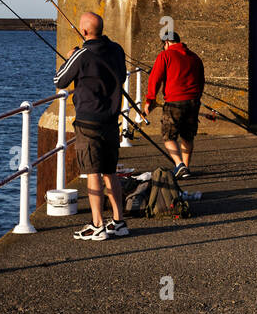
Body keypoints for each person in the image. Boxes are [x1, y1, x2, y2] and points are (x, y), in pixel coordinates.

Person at [54, 12, 130, 240]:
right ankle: (118, 222)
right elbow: (122, 76)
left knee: (93, 172)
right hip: (110, 119)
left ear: (84, 32)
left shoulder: (82, 54)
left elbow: (59, 81)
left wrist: (70, 58)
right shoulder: (116, 50)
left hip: (88, 121)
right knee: (110, 172)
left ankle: (97, 224)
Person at [145, 31, 204, 179]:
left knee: (169, 136)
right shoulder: (195, 57)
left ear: (166, 43)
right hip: (193, 101)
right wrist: (197, 98)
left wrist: (150, 101)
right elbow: (201, 80)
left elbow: (155, 79)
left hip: (174, 102)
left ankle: (179, 165)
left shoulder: (165, 55)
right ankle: (185, 167)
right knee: (187, 136)